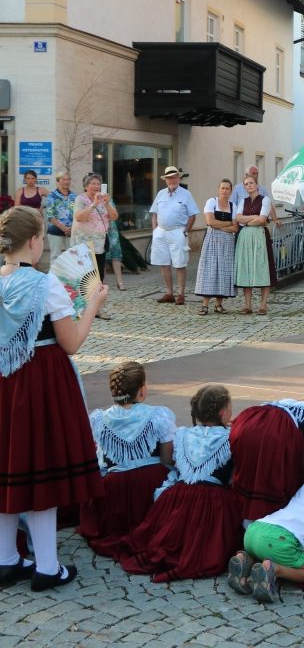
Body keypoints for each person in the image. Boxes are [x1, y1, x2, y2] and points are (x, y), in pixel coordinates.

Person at [0, 206, 107, 591]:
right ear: (33, 241)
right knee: (39, 467)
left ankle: (6, 560)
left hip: (3, 384)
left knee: (8, 468)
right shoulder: (46, 285)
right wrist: (92, 303)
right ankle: (47, 566)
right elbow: (72, 343)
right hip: (42, 382)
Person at [117, 385, 242, 583]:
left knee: (171, 533)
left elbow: (174, 462)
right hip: (213, 499)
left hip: (179, 495)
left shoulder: (184, 434)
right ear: (223, 412)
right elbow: (234, 476)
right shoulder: (231, 438)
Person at [229, 440, 304, 603]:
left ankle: (244, 560)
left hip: (254, 530)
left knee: (264, 550)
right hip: (281, 540)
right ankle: (274, 570)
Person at [78, 362, 176, 558]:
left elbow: (102, 462)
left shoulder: (99, 419)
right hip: (150, 483)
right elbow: (167, 458)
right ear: (141, 391)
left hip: (116, 487)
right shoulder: (158, 415)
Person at [230, 398, 304, 523]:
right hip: (277, 431)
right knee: (277, 476)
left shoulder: (286, 404)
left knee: (250, 471)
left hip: (251, 419)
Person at [71, 173, 119, 320]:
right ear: (86, 186)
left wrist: (106, 203)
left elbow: (114, 217)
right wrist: (94, 205)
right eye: (93, 184)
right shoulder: (81, 199)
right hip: (83, 244)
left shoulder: (104, 200)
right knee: (83, 277)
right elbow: (80, 217)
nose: (96, 186)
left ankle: (98, 309)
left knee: (99, 278)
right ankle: (80, 309)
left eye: (98, 184)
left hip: (99, 244)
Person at [149, 167, 199, 305]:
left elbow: (192, 215)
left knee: (180, 263)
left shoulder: (186, 194)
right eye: (169, 178)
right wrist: (155, 230)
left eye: (174, 177)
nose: (172, 180)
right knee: (163, 263)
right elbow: (154, 213)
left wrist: (186, 231)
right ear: (165, 180)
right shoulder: (160, 194)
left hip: (177, 231)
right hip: (161, 231)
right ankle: (169, 293)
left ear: (179, 178)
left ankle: (181, 294)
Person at [195, 179, 239, 315]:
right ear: (218, 189)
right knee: (210, 269)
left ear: (231, 191)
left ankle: (219, 305)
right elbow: (210, 222)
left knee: (224, 271)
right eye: (222, 188)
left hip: (227, 242)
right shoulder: (211, 202)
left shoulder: (233, 206)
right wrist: (227, 224)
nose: (225, 191)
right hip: (212, 240)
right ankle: (205, 305)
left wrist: (218, 225)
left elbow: (235, 227)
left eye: (227, 189)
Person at [234, 176, 273, 315]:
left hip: (259, 236)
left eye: (251, 183)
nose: (248, 185)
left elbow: (263, 219)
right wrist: (253, 217)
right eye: (246, 184)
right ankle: (248, 305)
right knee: (246, 268)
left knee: (262, 268)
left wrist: (247, 221)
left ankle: (263, 306)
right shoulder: (242, 201)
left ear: (257, 185)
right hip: (245, 237)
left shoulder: (265, 199)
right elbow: (238, 218)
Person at [43, 171, 76, 259]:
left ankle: (70, 273)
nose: (66, 181)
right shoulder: (52, 195)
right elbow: (50, 216)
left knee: (73, 256)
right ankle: (54, 273)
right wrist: (63, 228)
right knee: (55, 256)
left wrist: (71, 228)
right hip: (55, 229)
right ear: (58, 181)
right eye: (64, 179)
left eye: (68, 179)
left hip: (70, 230)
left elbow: (76, 214)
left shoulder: (74, 196)